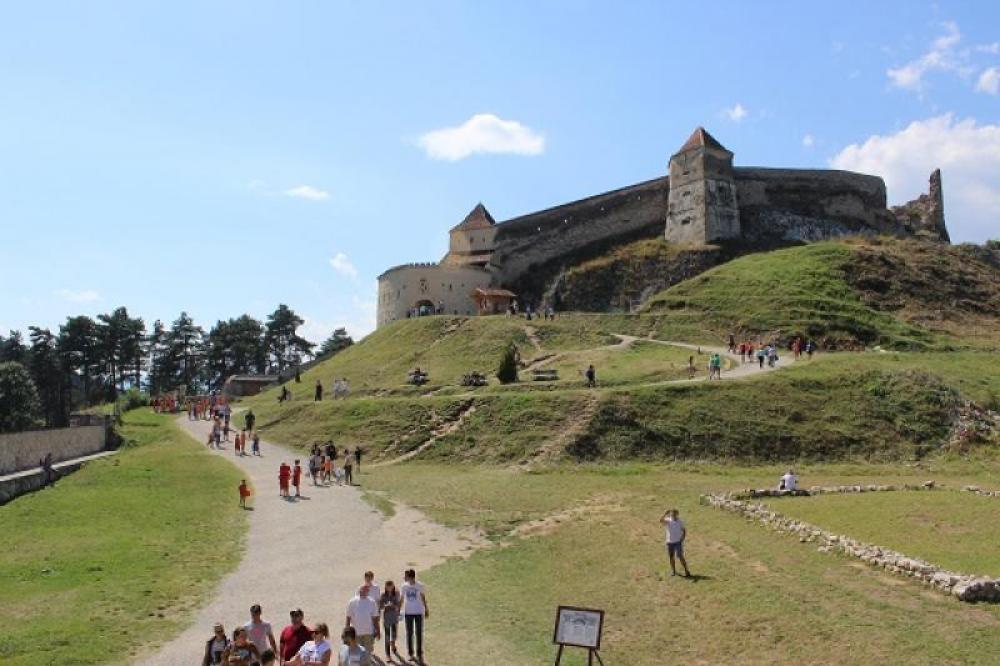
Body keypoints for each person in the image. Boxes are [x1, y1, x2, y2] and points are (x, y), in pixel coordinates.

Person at [400, 569, 429, 663]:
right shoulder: (404, 586)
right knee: (409, 633)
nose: (404, 577)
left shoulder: (420, 585)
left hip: (418, 612)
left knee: (419, 633)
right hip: (408, 613)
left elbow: (423, 597)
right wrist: (398, 610)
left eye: (406, 576)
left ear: (410, 576)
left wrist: (426, 608)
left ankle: (419, 653)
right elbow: (401, 598)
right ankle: (411, 653)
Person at [345, 585, 380, 656]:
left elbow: (375, 618)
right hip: (356, 633)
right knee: (357, 654)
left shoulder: (372, 602)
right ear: (359, 590)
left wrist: (378, 631)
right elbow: (348, 617)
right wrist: (347, 632)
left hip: (369, 633)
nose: (365, 591)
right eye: (363, 589)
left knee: (367, 653)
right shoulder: (352, 602)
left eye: (367, 590)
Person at [660, 508, 691, 577]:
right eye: (672, 514)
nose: (673, 515)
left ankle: (686, 570)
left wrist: (682, 538)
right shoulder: (668, 520)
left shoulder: (680, 522)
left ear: (677, 514)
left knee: (680, 556)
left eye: (674, 514)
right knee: (671, 557)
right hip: (670, 542)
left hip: (677, 542)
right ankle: (673, 571)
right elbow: (661, 520)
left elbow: (684, 530)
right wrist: (665, 514)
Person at [379, 580, 402, 661]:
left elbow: (398, 605)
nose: (389, 588)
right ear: (385, 587)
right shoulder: (383, 595)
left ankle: (393, 643)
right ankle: (388, 655)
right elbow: (380, 606)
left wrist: (394, 605)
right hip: (386, 618)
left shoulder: (396, 594)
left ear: (393, 586)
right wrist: (385, 606)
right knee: (387, 636)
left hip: (394, 617)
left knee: (394, 635)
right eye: (388, 586)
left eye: (391, 586)